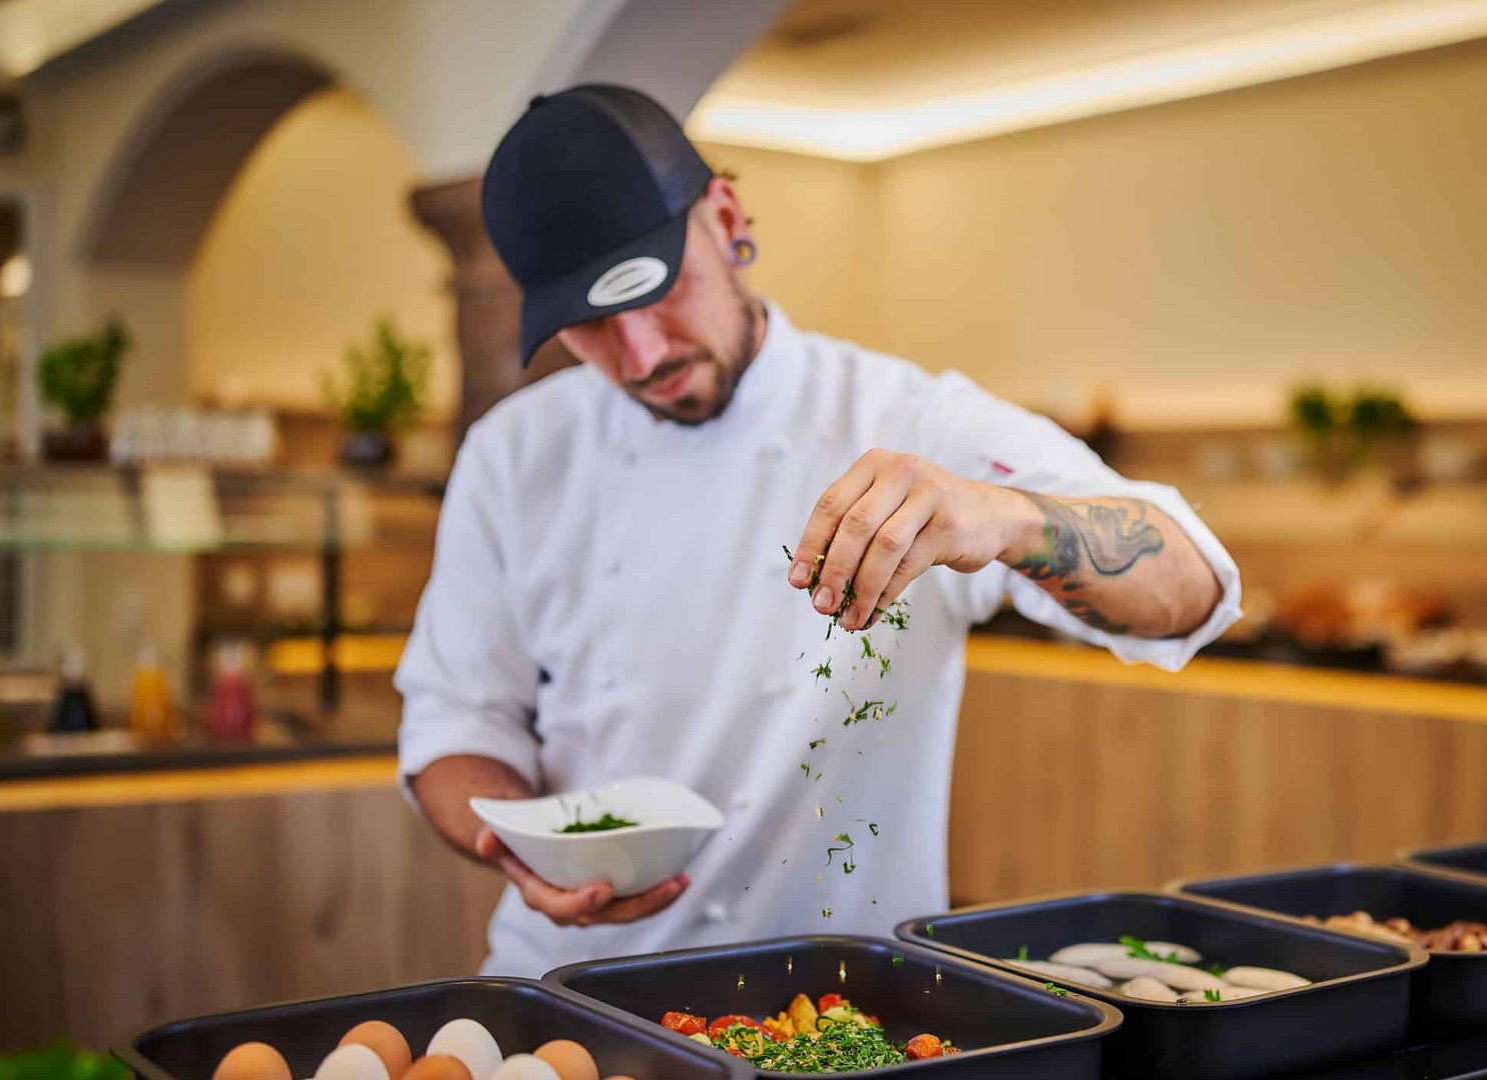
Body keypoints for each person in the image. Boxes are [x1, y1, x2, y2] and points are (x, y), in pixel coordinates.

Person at [396, 84, 1242, 977]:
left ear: (725, 217)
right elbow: (455, 722)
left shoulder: (909, 417)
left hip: (844, 1005)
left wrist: (1004, 518)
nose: (642, 355)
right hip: (568, 987)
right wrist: (518, 851)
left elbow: (1189, 589)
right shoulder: (514, 454)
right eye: (591, 327)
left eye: (658, 291)